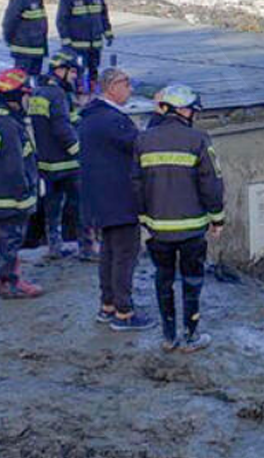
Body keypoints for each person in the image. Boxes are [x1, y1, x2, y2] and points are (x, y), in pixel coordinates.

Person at [132, 85, 225, 352]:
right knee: (192, 280)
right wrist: (217, 218)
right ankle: (191, 336)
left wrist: (144, 217)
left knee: (163, 279)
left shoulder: (143, 140)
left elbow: (136, 183)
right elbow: (212, 183)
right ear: (184, 111)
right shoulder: (199, 139)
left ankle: (168, 336)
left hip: (158, 229)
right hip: (192, 228)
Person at [80, 68, 156, 331]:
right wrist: (159, 117)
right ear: (112, 86)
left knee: (109, 254)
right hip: (119, 199)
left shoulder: (91, 116)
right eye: (127, 84)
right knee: (125, 255)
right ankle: (124, 313)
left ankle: (108, 305)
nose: (130, 89)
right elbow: (141, 144)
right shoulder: (113, 120)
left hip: (101, 200)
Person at [0, 68, 44, 300]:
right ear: (16, 97)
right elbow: (14, 166)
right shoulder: (9, 127)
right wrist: (25, 193)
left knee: (6, 240)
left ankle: (3, 280)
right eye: (26, 95)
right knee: (12, 240)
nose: (29, 101)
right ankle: (11, 283)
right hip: (11, 198)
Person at [30, 49, 85, 260]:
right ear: (61, 70)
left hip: (47, 162)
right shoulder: (57, 94)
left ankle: (54, 245)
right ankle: (87, 246)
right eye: (73, 72)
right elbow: (62, 128)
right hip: (67, 163)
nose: (75, 77)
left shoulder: (39, 92)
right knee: (80, 205)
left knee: (52, 206)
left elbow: (60, 121)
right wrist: (79, 151)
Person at [57, 0, 111, 92]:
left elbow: (103, 16)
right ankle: (77, 92)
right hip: (77, 45)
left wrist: (108, 33)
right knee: (77, 71)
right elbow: (61, 20)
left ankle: (93, 91)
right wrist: (66, 39)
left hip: (95, 43)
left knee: (94, 69)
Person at [2, 0, 48, 78]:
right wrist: (9, 39)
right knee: (21, 79)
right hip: (24, 51)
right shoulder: (20, 1)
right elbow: (9, 22)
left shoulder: (37, 2)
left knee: (34, 80)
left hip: (37, 50)